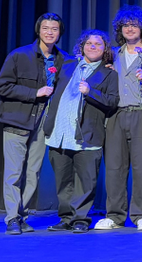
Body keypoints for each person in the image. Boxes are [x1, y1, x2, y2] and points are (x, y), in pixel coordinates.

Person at [94, 6, 142, 231]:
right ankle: (115, 216)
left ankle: (141, 215)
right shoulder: (113, 54)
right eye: (125, 25)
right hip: (115, 116)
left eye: (134, 25)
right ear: (120, 29)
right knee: (114, 168)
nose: (129, 29)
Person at [0, 12, 67, 234]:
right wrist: (34, 92)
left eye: (54, 29)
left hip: (43, 123)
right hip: (17, 119)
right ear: (39, 30)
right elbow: (2, 86)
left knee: (33, 174)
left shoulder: (63, 59)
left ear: (59, 33)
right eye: (46, 28)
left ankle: (21, 214)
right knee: (14, 173)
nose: (50, 32)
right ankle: (12, 218)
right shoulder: (20, 55)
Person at [42, 30, 119, 233]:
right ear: (82, 46)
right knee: (63, 179)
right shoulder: (67, 65)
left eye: (98, 44)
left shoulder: (109, 73)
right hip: (59, 133)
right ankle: (66, 217)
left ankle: (81, 218)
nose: (93, 47)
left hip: (87, 134)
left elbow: (112, 102)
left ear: (105, 50)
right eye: (89, 43)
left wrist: (90, 92)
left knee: (86, 180)